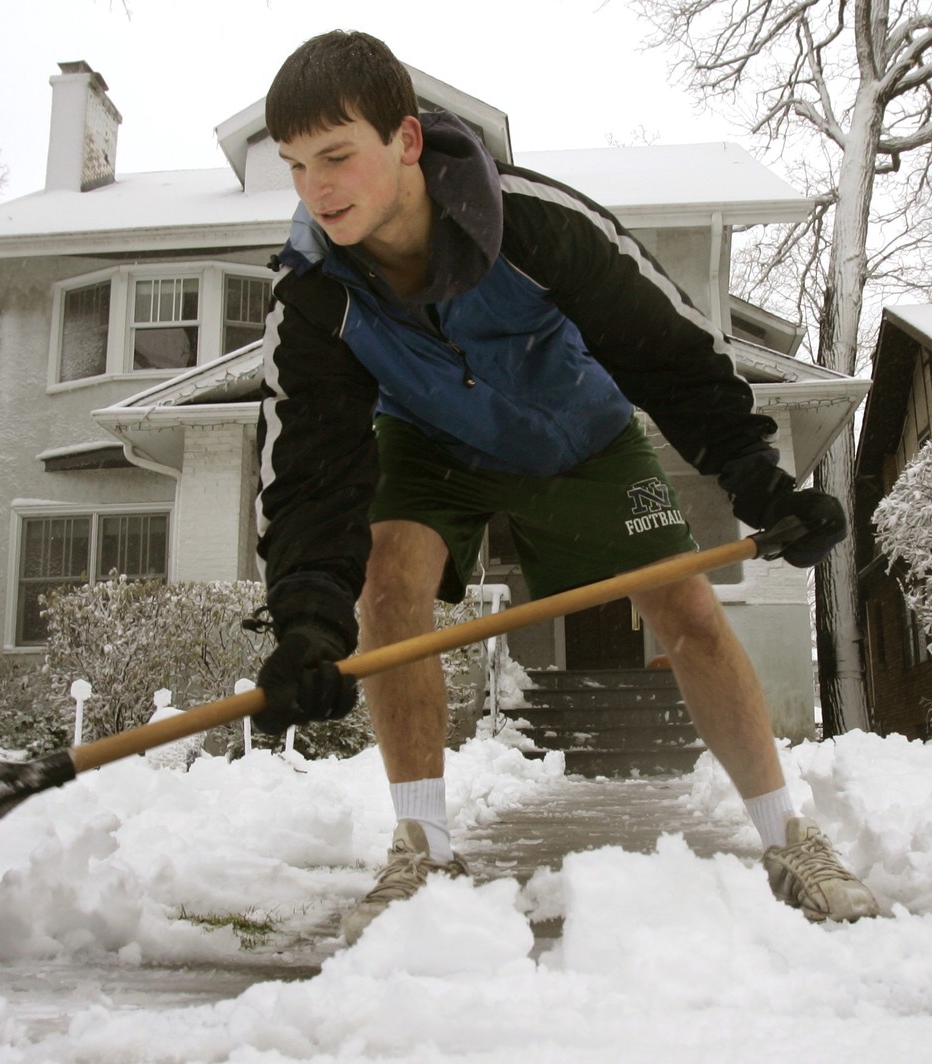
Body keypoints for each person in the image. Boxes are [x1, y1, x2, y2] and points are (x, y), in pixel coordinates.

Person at [248, 29, 877, 944]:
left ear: (407, 141)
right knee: (389, 579)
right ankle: (422, 844)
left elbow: (667, 352)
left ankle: (791, 839)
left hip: (581, 436)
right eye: (298, 166)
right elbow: (309, 467)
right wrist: (308, 616)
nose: (317, 189)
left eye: (337, 157)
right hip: (427, 436)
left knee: (687, 613)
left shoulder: (535, 223)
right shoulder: (313, 293)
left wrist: (761, 483)